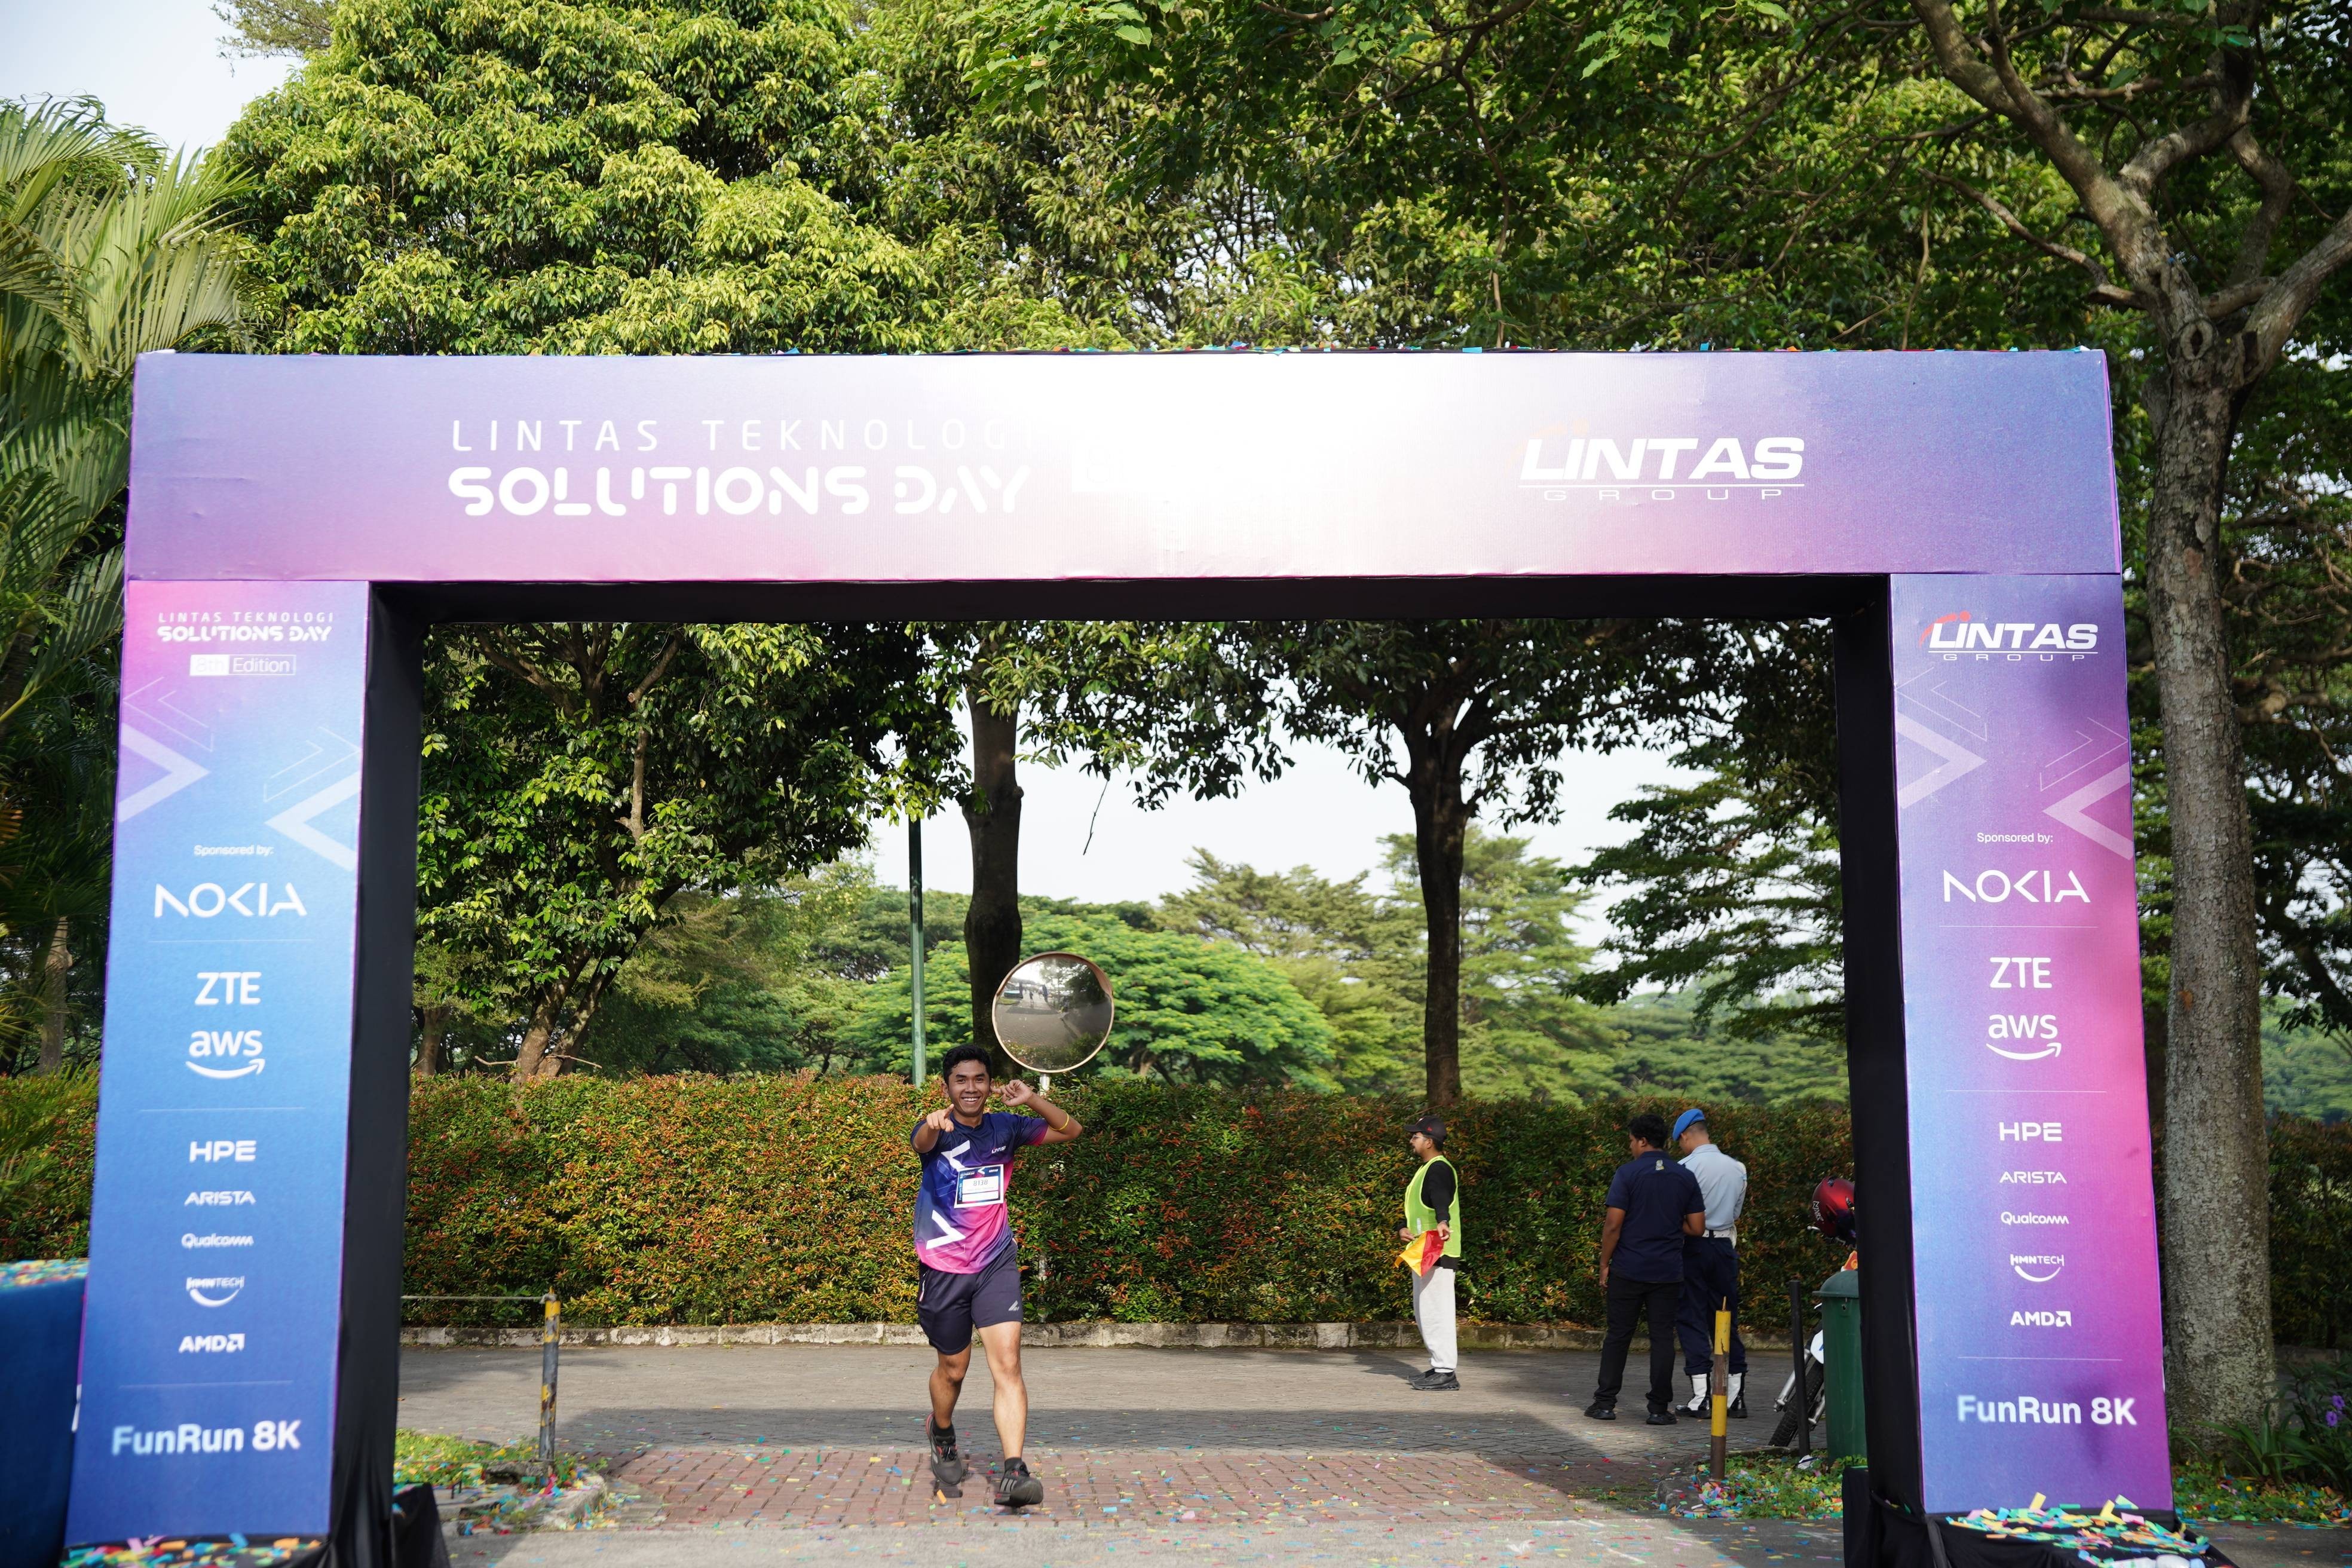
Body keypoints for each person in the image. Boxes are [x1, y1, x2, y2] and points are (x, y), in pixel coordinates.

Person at [911, 1042, 1083, 1508]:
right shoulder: (937, 1129)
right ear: (947, 1086)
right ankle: (941, 1431)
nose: (970, 1088)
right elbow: (921, 1142)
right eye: (961, 1080)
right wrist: (931, 1124)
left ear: (990, 1085)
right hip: (944, 1268)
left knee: (1008, 1366)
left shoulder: (1007, 1127)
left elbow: (1070, 1130)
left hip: (995, 1263)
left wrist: (1032, 1099)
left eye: (979, 1079)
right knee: (953, 1370)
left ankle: (1014, 1472)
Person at [1587, 1111, 1705, 1425]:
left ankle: (1605, 1404)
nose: (1630, 1147)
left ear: (1641, 1141)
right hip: (1667, 1271)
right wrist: (1670, 1224)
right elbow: (1697, 1227)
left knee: (1618, 1336)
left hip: (1629, 1267)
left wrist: (1604, 1263)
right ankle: (1658, 1409)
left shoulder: (1627, 1173)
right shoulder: (1684, 1176)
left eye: (1631, 1141)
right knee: (1663, 1338)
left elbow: (1613, 1225)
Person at [1672, 1107, 1750, 1418]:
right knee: (1725, 1316)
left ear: (1686, 1136)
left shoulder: (1684, 1168)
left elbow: (1678, 1214)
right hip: (1724, 1248)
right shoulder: (1738, 1168)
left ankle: (1702, 1397)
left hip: (1693, 1246)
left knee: (1690, 1316)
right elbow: (1736, 1213)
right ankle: (1735, 1397)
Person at [1397, 1112, 1462, 1391]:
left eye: (1416, 1136)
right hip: (1425, 1249)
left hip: (1438, 1250)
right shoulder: (1426, 1169)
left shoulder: (1438, 1169)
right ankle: (1439, 1366)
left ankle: (1446, 1371)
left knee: (1437, 1311)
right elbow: (1417, 1208)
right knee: (1425, 1310)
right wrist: (1402, 1227)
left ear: (1429, 1141)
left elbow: (1440, 1198)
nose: (1412, 1141)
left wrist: (1443, 1220)